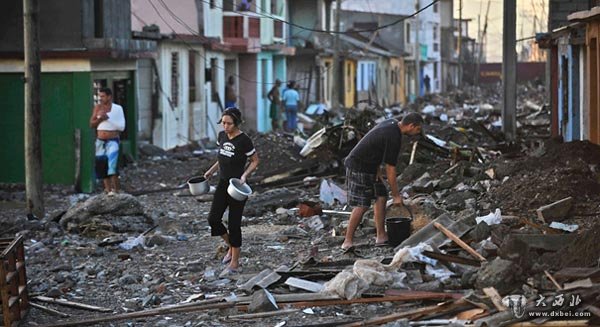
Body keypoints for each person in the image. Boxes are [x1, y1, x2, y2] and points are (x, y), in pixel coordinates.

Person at [341, 113, 424, 251]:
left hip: (371, 166)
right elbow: (390, 169)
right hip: (358, 166)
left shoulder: (392, 123)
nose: (418, 132)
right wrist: (396, 196)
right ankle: (347, 241)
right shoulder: (394, 137)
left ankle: (381, 236)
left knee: (381, 196)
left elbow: (375, 147)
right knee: (362, 205)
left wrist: (378, 174)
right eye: (418, 129)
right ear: (411, 126)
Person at [203, 107, 259, 276]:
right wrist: (211, 170)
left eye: (228, 123)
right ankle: (230, 245)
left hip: (237, 186)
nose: (225, 126)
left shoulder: (244, 140)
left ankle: (234, 262)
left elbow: (255, 160)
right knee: (213, 219)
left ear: (236, 123)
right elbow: (222, 157)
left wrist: (244, 175)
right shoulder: (222, 136)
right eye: (223, 123)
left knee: (234, 223)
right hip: (222, 183)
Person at [89, 87, 126, 195]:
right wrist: (100, 119)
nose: (101, 98)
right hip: (100, 140)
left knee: (112, 165)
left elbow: (121, 127)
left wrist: (108, 118)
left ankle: (116, 189)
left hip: (112, 140)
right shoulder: (97, 108)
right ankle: (108, 190)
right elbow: (91, 124)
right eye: (100, 96)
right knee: (102, 165)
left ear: (109, 96)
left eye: (103, 96)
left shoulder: (117, 109)